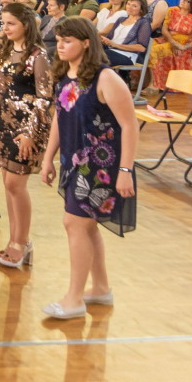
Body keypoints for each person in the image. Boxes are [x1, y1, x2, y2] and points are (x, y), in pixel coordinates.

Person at [39, 17, 138, 319]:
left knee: (75, 224)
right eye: (59, 40)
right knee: (85, 225)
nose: (60, 46)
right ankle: (101, 288)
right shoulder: (64, 75)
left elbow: (129, 125)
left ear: (85, 43)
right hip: (75, 160)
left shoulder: (106, 78)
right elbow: (60, 117)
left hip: (101, 165)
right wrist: (48, 157)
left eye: (67, 41)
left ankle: (74, 299)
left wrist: (125, 171)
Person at [0, 2, 53, 270]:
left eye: (11, 23)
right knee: (8, 185)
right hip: (4, 124)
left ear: (25, 25)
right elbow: (0, 89)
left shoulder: (38, 56)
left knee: (16, 185)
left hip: (26, 129)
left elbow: (45, 98)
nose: (5, 28)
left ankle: (21, 243)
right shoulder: (7, 50)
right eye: (4, 23)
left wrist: (29, 134)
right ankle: (14, 239)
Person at [100, 0, 152, 68]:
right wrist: (102, 40)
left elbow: (141, 48)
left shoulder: (143, 23)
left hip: (126, 54)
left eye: (134, 6)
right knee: (88, 51)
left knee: (97, 57)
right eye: (128, 4)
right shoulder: (121, 19)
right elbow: (109, 38)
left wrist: (115, 45)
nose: (129, 7)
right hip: (110, 50)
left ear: (141, 9)